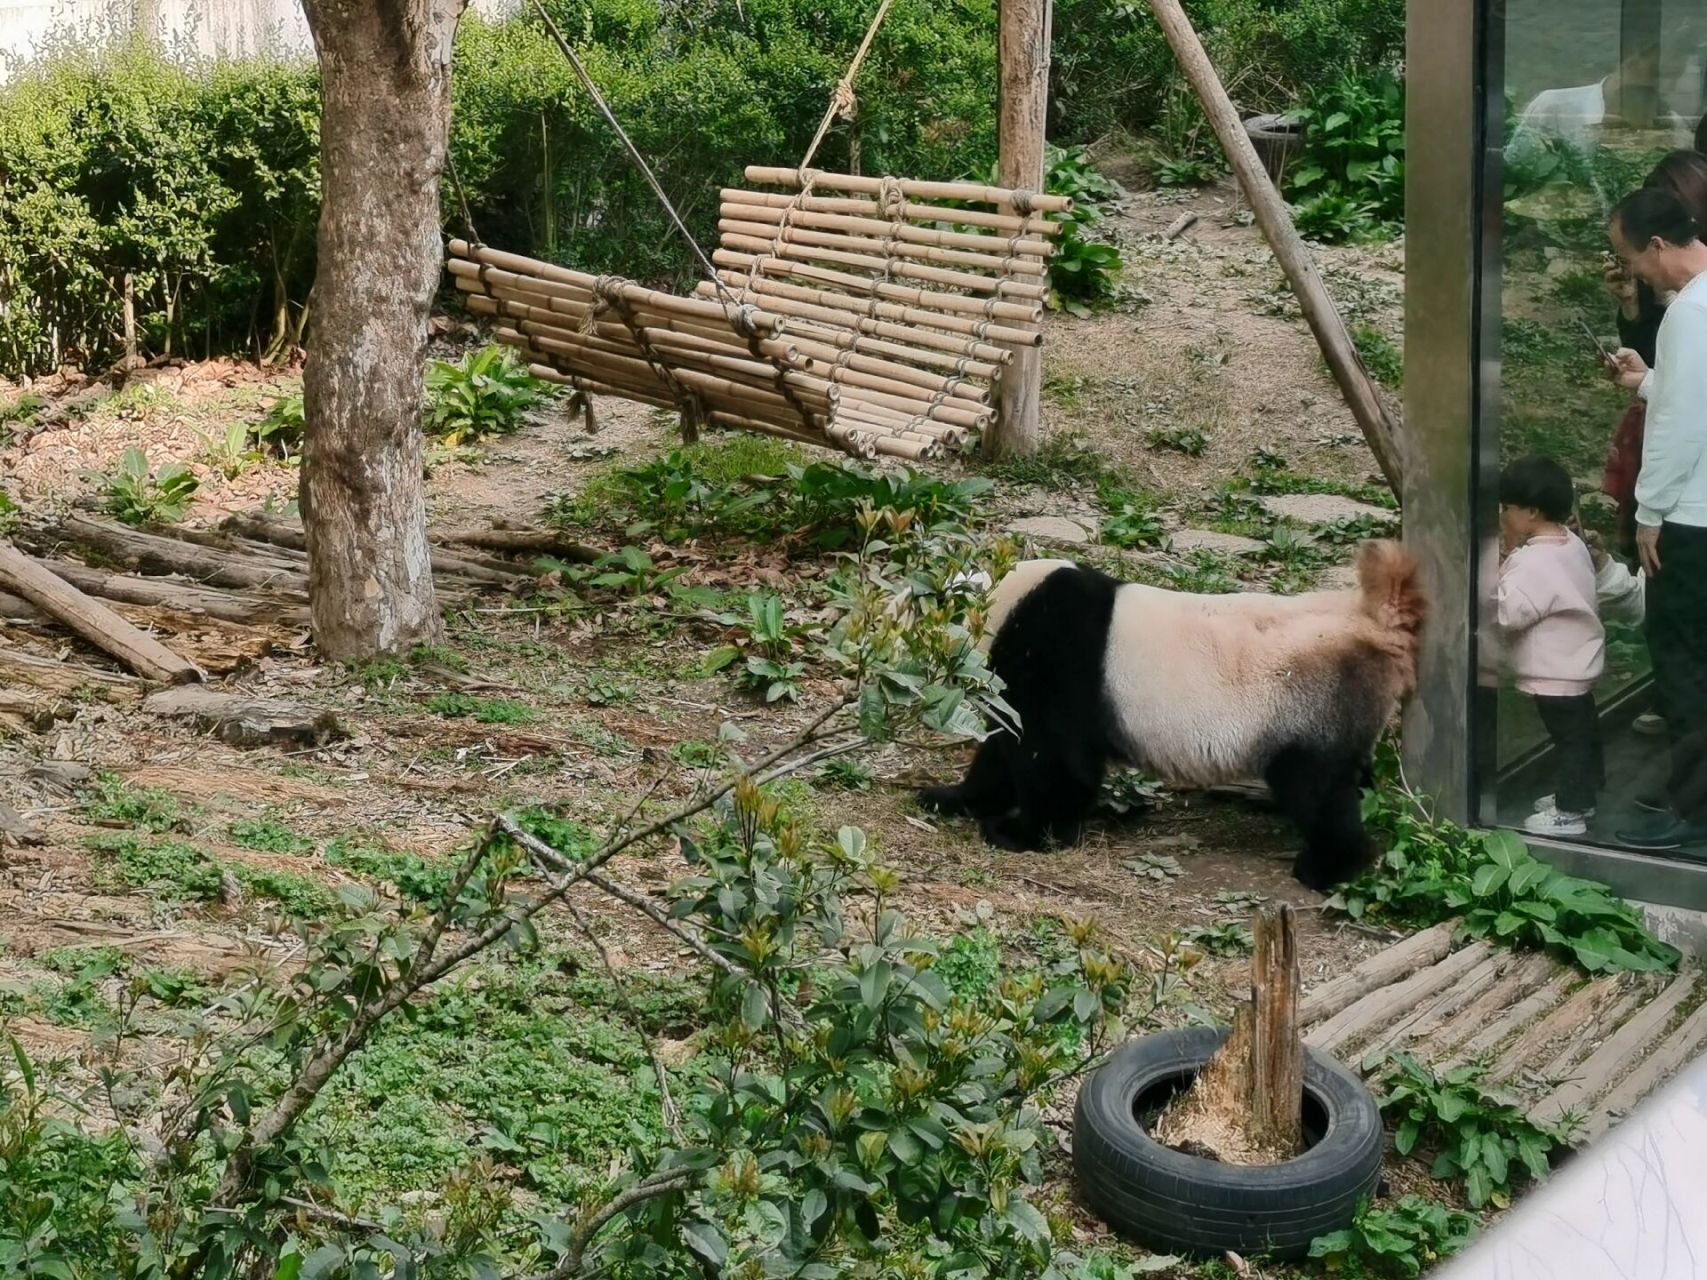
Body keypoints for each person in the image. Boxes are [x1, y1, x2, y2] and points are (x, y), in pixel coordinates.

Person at [1606, 184, 1707, 849]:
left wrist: (1647, 511)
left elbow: (1680, 423)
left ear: (1659, 246)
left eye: (1631, 257)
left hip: (1691, 520)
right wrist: (1648, 378)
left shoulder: (1690, 313)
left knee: (1682, 666)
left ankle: (1690, 815)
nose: (1633, 272)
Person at [1496, 457, 1608, 837]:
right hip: (1576, 663)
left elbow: (1508, 614)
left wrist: (1499, 567)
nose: (1502, 515)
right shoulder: (1571, 543)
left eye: (1506, 508)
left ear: (1531, 511)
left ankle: (1570, 811)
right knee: (1582, 734)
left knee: (1570, 741)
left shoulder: (1532, 563)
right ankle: (1582, 794)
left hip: (1553, 670)